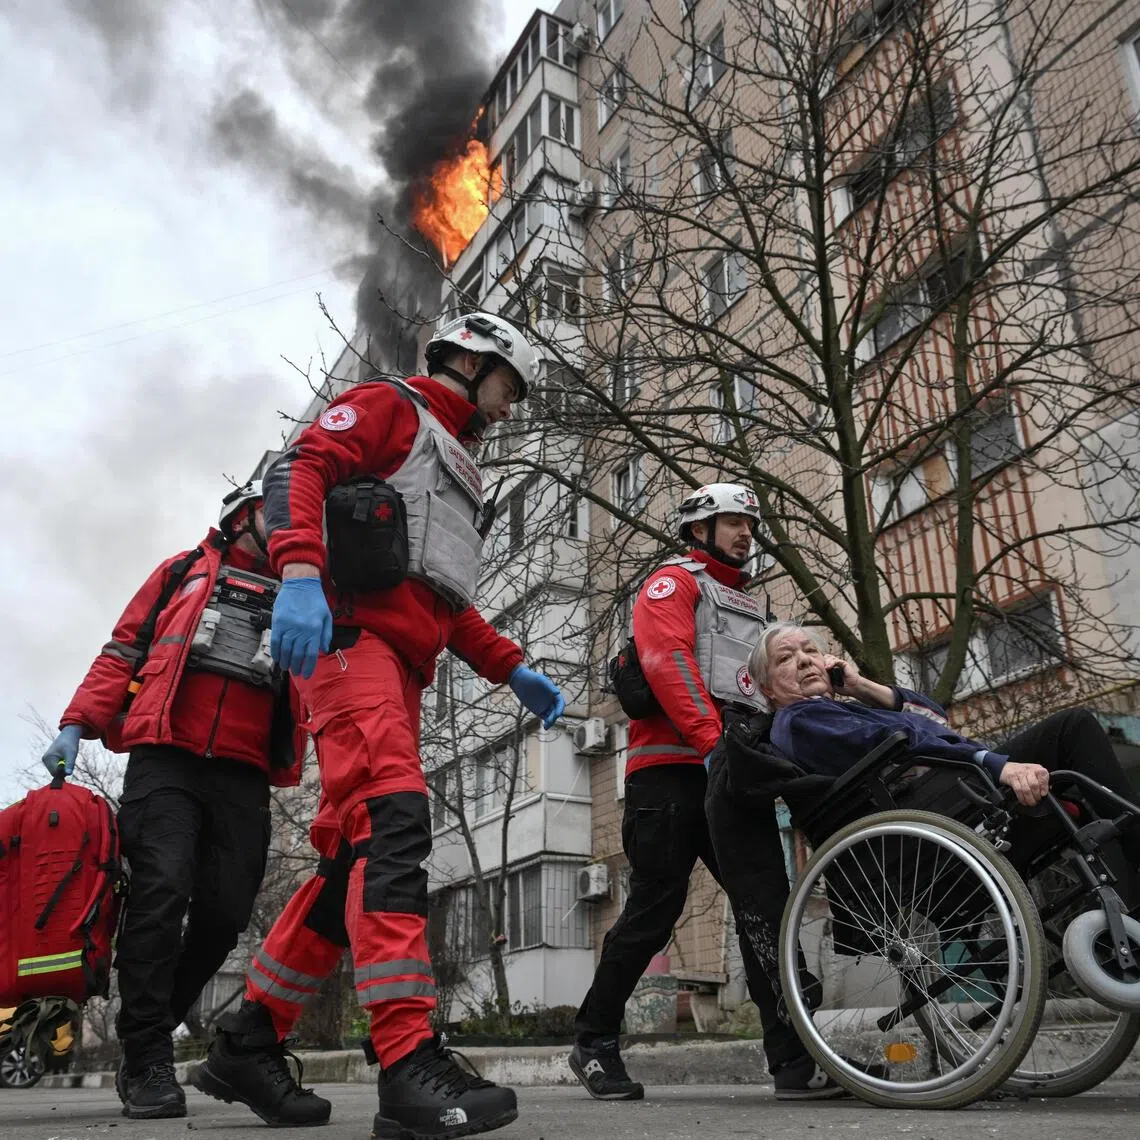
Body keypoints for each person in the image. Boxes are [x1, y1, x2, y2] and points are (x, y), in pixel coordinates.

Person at [190, 312, 566, 1140]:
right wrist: (295, 572)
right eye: (508, 387)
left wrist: (510, 666)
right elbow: (302, 467)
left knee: (350, 868)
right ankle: (405, 1062)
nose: (510, 408)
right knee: (394, 826)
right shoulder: (394, 407)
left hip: (397, 667)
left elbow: (437, 600)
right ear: (471, 361)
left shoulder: (456, 469)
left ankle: (249, 1040)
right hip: (349, 650)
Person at [41, 481, 302, 1120]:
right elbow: (122, 649)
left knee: (225, 911)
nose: (298, 529)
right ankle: (147, 1055)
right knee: (160, 889)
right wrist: (76, 723)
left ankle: (153, 1025)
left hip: (243, 772)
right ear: (245, 518)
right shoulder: (180, 572)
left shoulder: (305, 592)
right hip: (166, 759)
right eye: (284, 516)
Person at [570, 483, 834, 1102]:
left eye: (748, 522)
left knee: (766, 906)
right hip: (670, 770)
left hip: (732, 769)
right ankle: (594, 1041)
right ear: (698, 529)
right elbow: (666, 662)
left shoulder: (750, 605)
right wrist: (712, 743)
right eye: (731, 522)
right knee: (654, 910)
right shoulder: (672, 582)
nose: (745, 532)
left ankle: (793, 1061)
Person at [751, 621, 1140, 880]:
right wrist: (993, 764)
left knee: (1079, 789)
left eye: (810, 651)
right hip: (924, 817)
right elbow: (909, 742)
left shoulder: (835, 710)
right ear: (768, 688)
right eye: (786, 658)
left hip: (937, 803)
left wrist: (861, 687)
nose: (804, 660)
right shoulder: (801, 721)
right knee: (1071, 730)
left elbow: (935, 718)